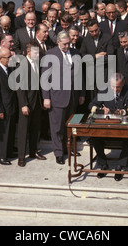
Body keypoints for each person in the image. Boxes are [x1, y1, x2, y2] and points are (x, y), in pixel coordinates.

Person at [41, 31, 85, 164]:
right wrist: (46, 97)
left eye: (69, 44)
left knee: (70, 125)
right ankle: (59, 152)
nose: (67, 46)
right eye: (64, 44)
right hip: (57, 96)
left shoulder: (76, 53)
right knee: (57, 127)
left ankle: (69, 148)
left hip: (73, 96)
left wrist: (82, 93)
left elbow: (80, 75)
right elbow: (45, 77)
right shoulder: (50, 54)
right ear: (58, 42)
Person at [89, 72, 128, 181]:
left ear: (123, 84)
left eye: (118, 87)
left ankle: (119, 166)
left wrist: (123, 111)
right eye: (113, 86)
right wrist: (100, 109)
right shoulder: (104, 90)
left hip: (122, 128)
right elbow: (92, 104)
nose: (115, 89)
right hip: (106, 127)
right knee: (93, 137)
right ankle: (103, 164)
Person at [16, 42, 47, 167]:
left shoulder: (38, 64)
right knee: (23, 131)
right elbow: (19, 87)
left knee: (35, 129)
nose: (37, 54)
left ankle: (33, 152)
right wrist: (23, 104)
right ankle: (21, 157)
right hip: (27, 103)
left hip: (37, 103)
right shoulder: (21, 65)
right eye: (35, 53)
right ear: (28, 52)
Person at [0, 47, 17, 165]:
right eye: (8, 57)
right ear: (0, 58)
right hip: (2, 107)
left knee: (10, 131)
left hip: (10, 106)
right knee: (2, 133)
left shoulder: (9, 69)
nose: (10, 59)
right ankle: (1, 156)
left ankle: (8, 152)